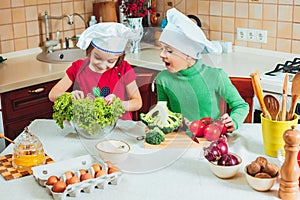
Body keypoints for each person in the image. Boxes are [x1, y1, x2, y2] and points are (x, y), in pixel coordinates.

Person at [156, 8, 249, 132]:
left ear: (188, 54)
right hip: (178, 139)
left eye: (169, 50)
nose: (162, 55)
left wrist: (234, 121)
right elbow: (162, 111)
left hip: (210, 138)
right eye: (161, 49)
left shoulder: (216, 76)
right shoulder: (163, 79)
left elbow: (241, 106)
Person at [48, 23, 142, 120]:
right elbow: (53, 95)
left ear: (118, 58)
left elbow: (137, 102)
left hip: (121, 126)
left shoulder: (123, 69)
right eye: (98, 58)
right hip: (90, 126)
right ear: (89, 51)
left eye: (110, 61)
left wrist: (120, 105)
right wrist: (70, 96)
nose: (102, 65)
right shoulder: (78, 68)